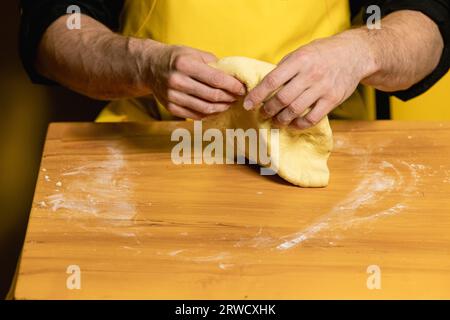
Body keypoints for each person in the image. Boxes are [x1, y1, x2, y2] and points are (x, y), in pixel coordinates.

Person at [20, 0, 449, 127]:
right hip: (153, 142)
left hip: (325, 145)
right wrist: (143, 65)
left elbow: (428, 24)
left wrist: (361, 52)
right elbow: (54, 26)